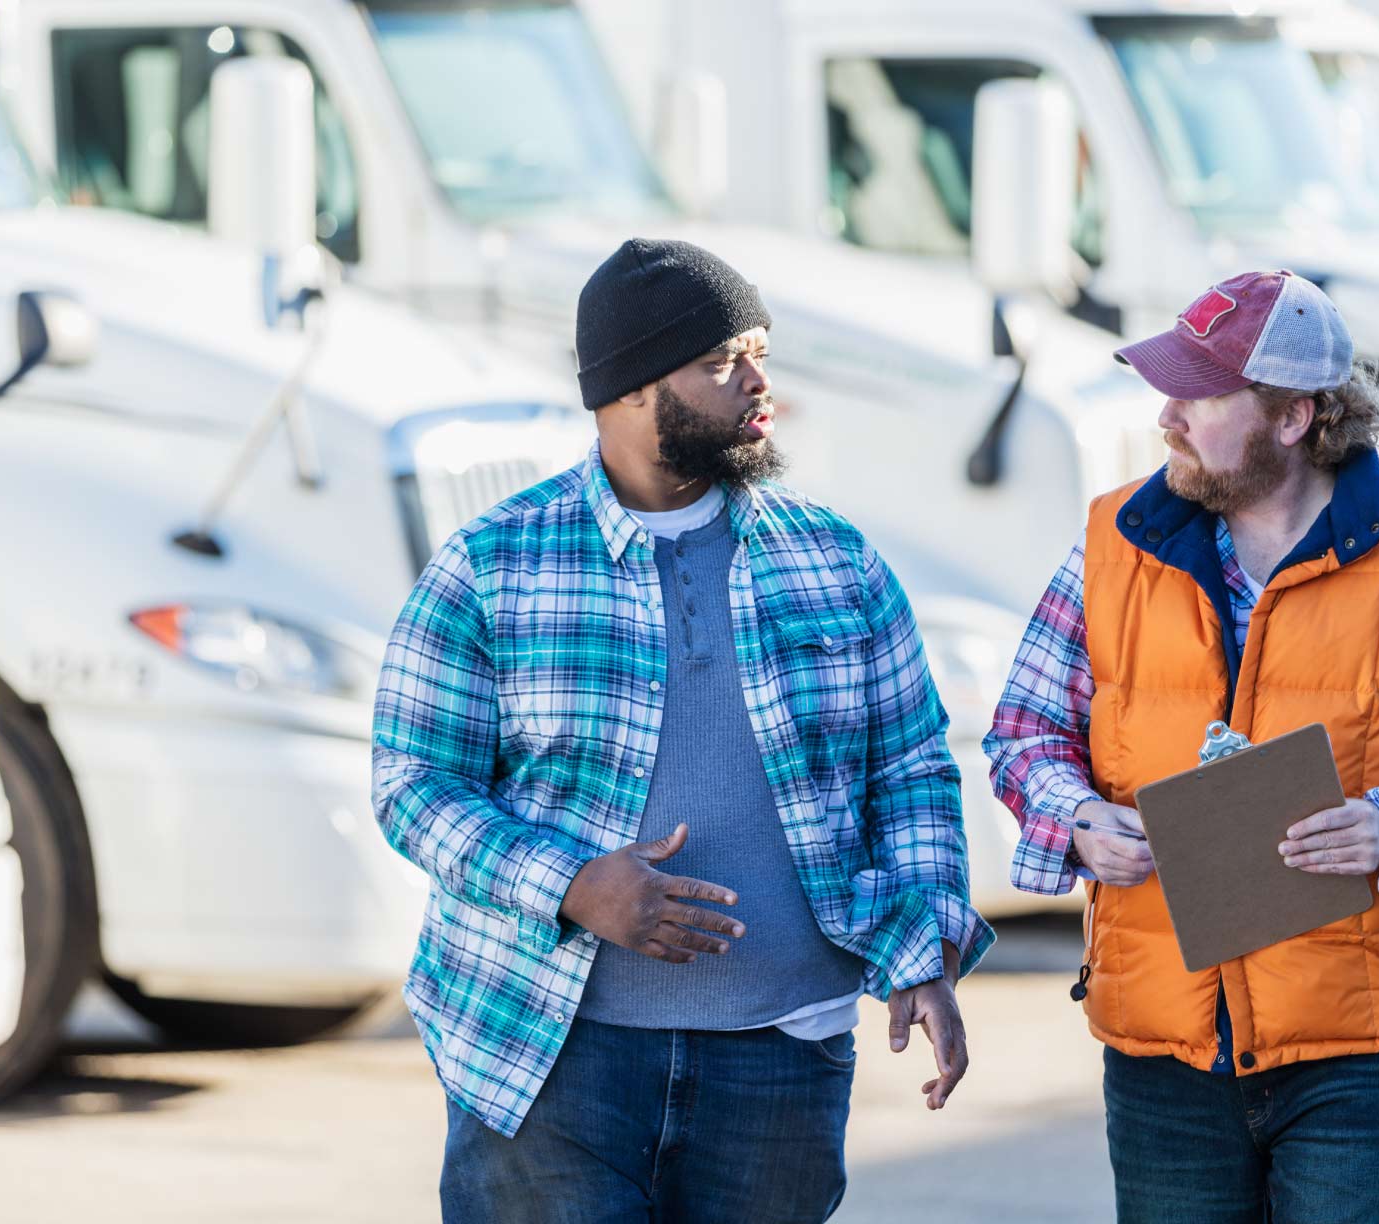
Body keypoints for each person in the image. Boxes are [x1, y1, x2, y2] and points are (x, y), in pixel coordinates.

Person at [373, 238, 993, 1223]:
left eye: (758, 353)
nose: (758, 384)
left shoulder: (834, 558)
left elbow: (910, 769)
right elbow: (413, 783)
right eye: (719, 361)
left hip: (781, 1065)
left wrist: (925, 948)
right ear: (627, 389)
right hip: (548, 1057)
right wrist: (573, 885)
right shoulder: (493, 563)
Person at [984, 270, 1379, 1222]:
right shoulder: (1110, 545)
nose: (1166, 417)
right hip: (1164, 1055)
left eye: (1200, 397)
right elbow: (1023, 734)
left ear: (1294, 417)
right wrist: (1076, 817)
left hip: (1365, 1055)